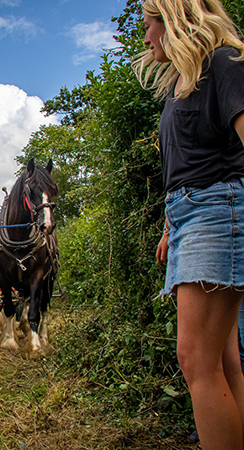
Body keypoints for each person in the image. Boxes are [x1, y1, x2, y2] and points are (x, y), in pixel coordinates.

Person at [133, 0, 244, 448]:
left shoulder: (224, 62)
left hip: (218, 212)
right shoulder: (182, 85)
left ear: (176, 19)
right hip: (190, 216)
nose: (145, 38)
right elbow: (185, 164)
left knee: (196, 359)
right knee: (224, 360)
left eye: (149, 24)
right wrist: (169, 228)